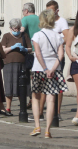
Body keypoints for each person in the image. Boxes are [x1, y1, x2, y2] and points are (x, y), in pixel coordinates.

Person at [29, 9, 68, 138]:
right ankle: (47, 130)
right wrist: (52, 69)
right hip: (54, 70)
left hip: (39, 69)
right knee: (51, 100)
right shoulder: (58, 36)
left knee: (36, 97)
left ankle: (37, 126)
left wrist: (45, 68)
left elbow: (38, 54)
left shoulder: (37, 35)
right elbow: (61, 55)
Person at [1, 18, 30, 115]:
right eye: (14, 29)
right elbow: (3, 50)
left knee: (21, 86)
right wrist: (12, 47)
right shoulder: (6, 36)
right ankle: (8, 108)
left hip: (21, 64)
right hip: (9, 63)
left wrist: (24, 49)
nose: (17, 31)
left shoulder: (24, 35)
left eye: (18, 28)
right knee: (9, 86)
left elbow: (30, 48)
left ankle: (23, 107)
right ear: (10, 28)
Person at [46, 0, 68, 121]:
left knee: (58, 83)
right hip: (46, 56)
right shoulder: (46, 22)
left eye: (51, 11)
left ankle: (57, 112)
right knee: (46, 83)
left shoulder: (62, 21)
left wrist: (56, 41)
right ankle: (43, 112)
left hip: (58, 56)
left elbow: (67, 36)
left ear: (56, 11)